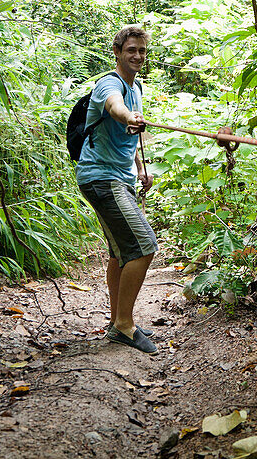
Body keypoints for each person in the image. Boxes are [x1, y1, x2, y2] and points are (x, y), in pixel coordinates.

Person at [76, 25, 159, 354]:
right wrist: (127, 116)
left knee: (120, 252)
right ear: (117, 53)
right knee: (144, 244)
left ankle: (117, 319)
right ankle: (124, 326)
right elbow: (115, 109)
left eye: (141, 50)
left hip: (119, 177)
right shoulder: (109, 84)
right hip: (100, 177)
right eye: (131, 51)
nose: (137, 56)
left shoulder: (135, 86)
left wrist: (139, 166)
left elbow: (130, 128)